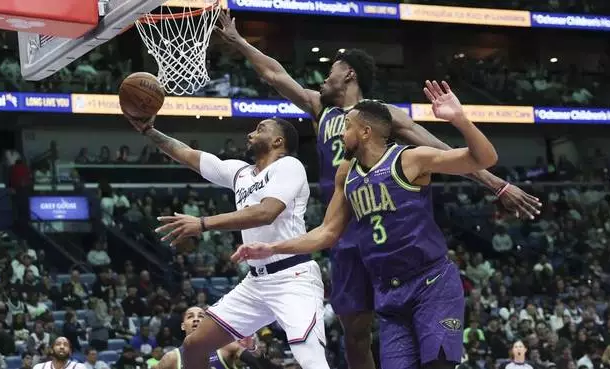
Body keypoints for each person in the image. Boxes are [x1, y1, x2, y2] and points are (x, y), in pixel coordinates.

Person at [215, 11, 542, 369]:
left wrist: (497, 185)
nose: (323, 78)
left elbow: (445, 152)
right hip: (343, 227)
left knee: (411, 317)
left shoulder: (384, 116)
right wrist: (240, 42)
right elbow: (274, 74)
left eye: (330, 71)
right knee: (355, 331)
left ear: (349, 75)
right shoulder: (320, 109)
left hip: (389, 221)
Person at [232, 83, 496, 369]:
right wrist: (271, 247)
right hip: (389, 292)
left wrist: (459, 118)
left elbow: (484, 158)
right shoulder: (346, 173)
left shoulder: (410, 159)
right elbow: (327, 232)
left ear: (365, 132)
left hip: (429, 282)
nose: (340, 134)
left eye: (346, 127)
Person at [126, 115, 328, 369]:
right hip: (256, 282)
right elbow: (188, 155)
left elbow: (266, 213)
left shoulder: (289, 166)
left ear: (278, 141)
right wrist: (149, 130)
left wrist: (202, 223)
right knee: (194, 345)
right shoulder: (241, 173)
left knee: (311, 361)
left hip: (292, 276)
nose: (250, 133)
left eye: (260, 129)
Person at [155, 306, 267, 369]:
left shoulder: (225, 347)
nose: (196, 319)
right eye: (190, 316)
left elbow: (260, 364)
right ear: (183, 326)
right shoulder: (172, 358)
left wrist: (253, 349)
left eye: (201, 316)